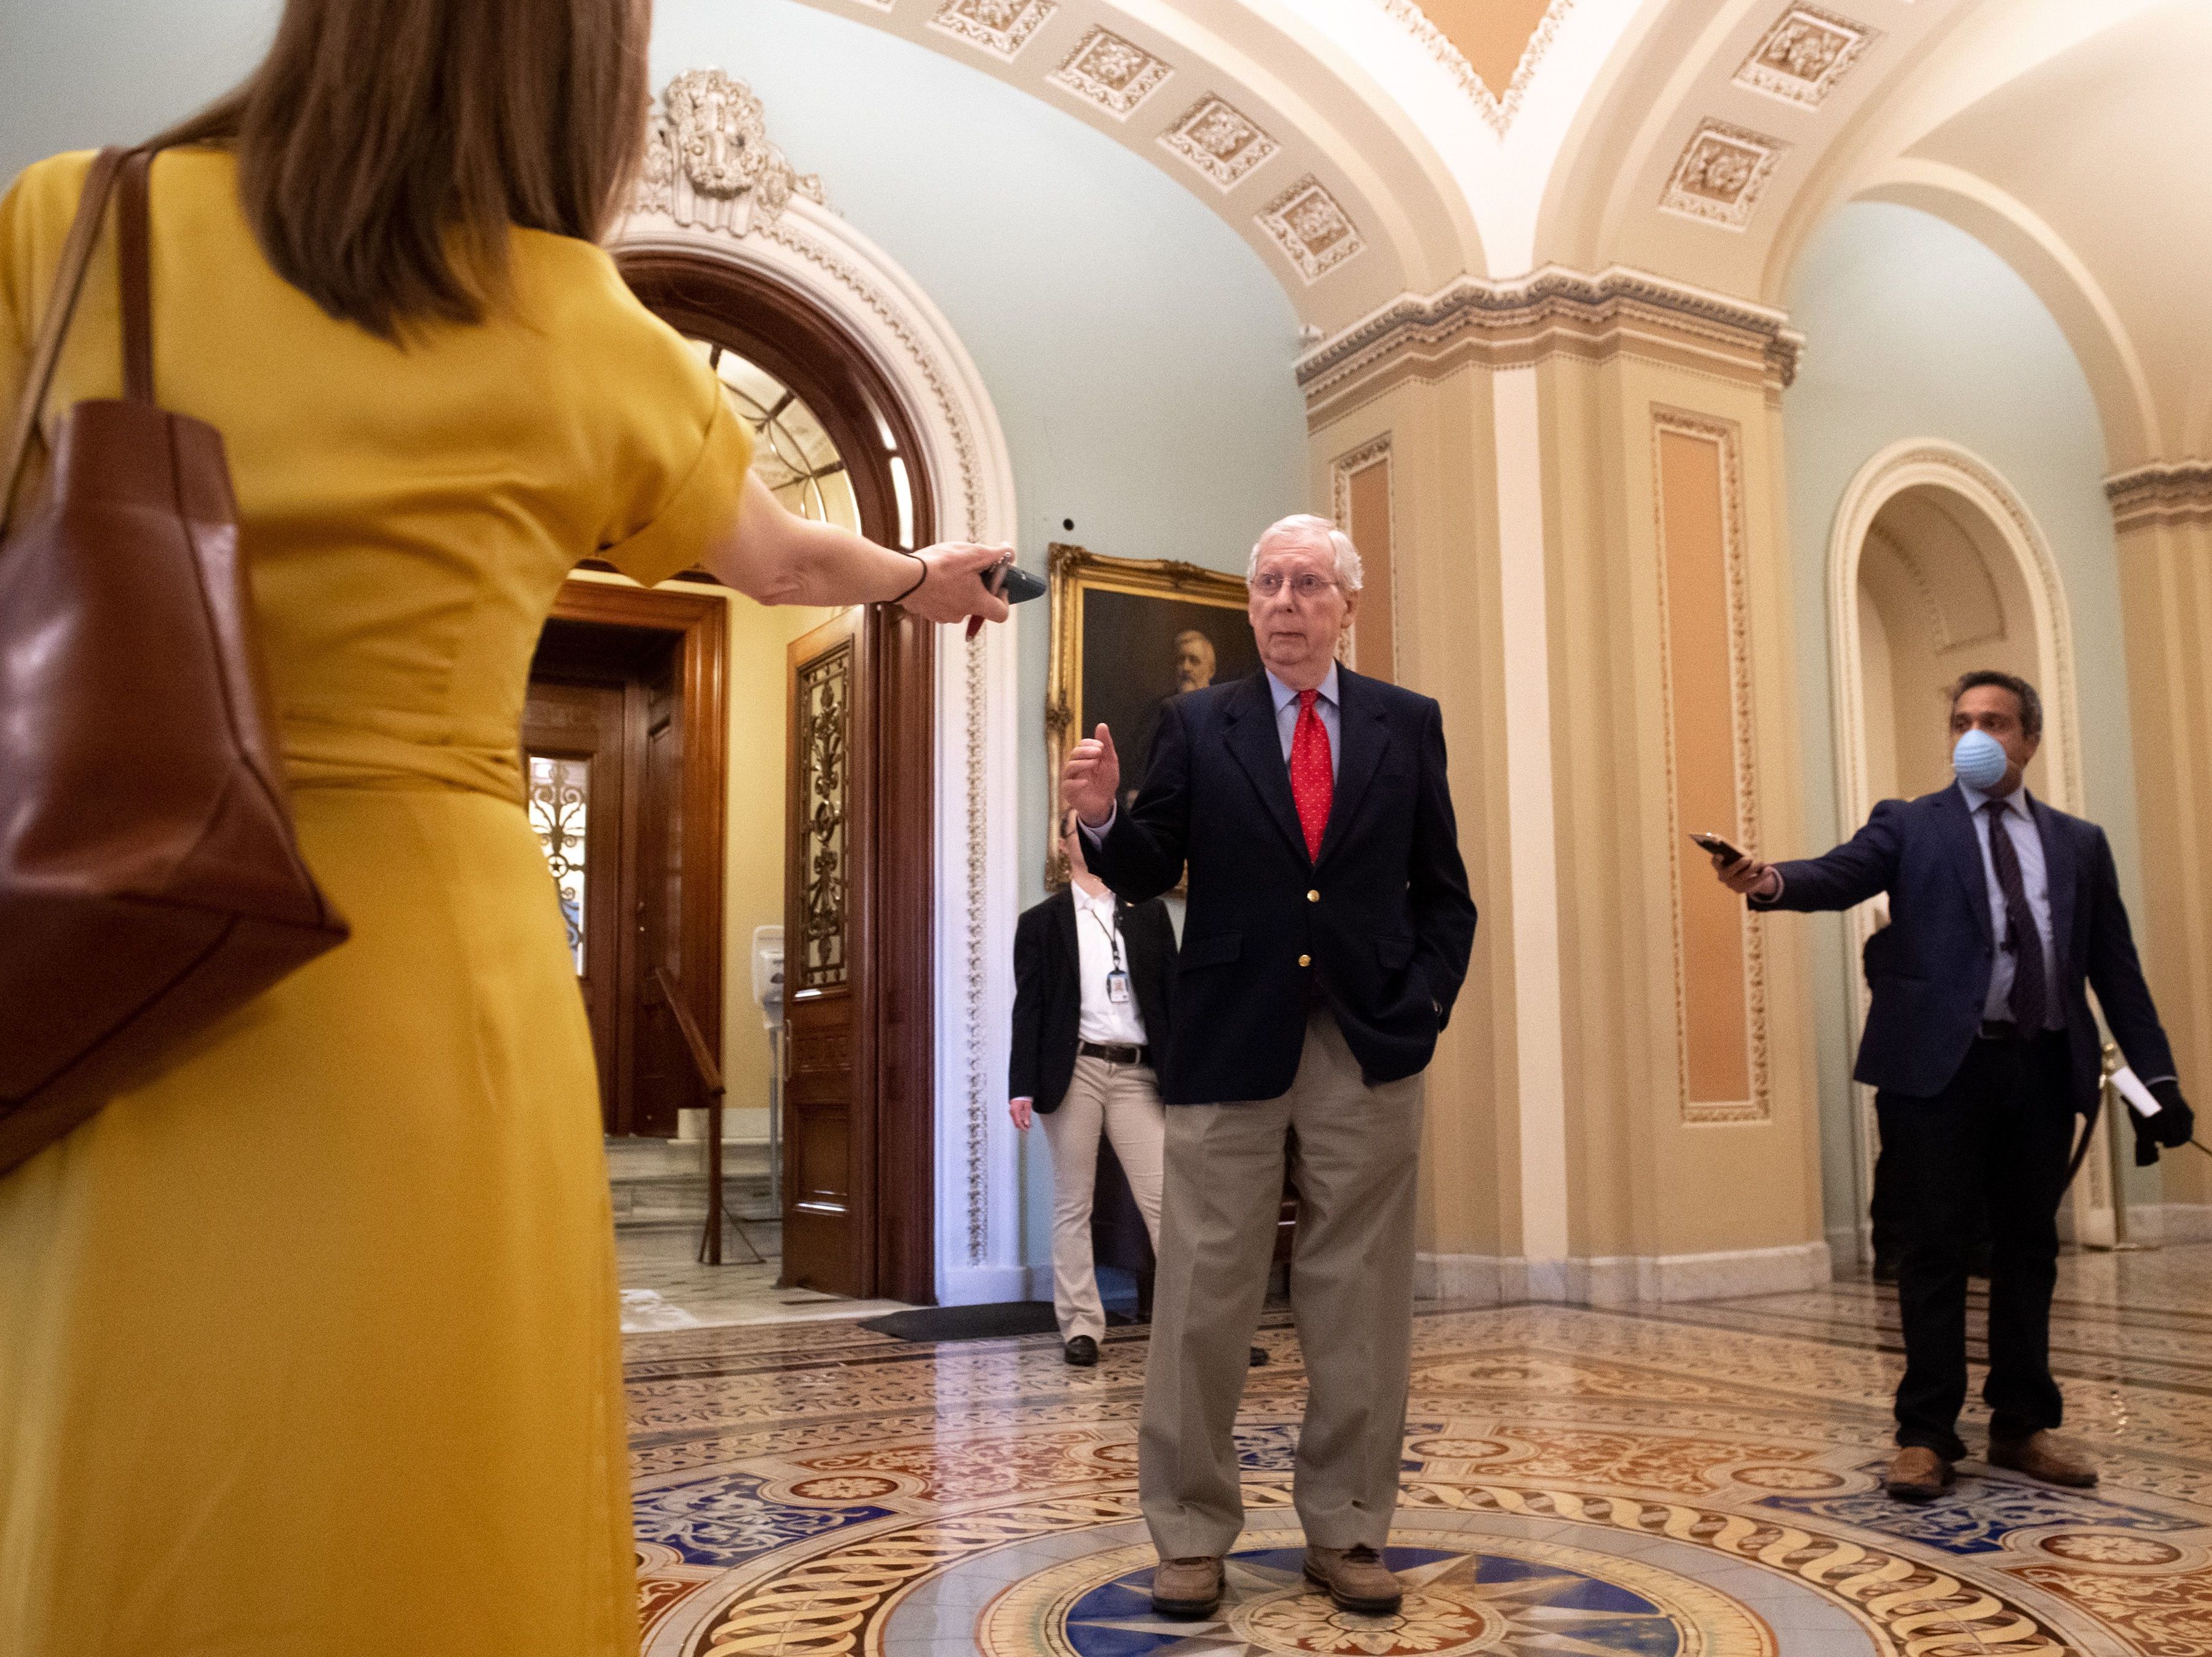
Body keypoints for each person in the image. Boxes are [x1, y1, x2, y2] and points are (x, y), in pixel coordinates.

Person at [0, 4, 1009, 1652]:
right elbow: (782, 559)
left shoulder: (80, 224)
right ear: (575, 76)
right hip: (428, 978)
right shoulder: (581, 328)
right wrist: (921, 576)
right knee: (437, 1455)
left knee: (132, 1432)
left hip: (112, 941)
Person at [1061, 513, 1477, 1619]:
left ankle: (1346, 1531)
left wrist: (1423, 1002)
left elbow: (1445, 890)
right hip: (1229, 1038)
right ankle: (1190, 1534)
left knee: (1360, 1299)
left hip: (1369, 1038)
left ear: (1346, 604)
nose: (1285, 602)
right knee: (1202, 1291)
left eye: (1307, 584)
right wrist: (1101, 817)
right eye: (1266, 585)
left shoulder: (1405, 723)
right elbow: (1148, 868)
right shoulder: (1198, 724)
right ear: (1249, 608)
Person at [1712, 670, 2194, 1504]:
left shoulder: (2078, 842)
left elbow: (2114, 970)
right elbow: (1837, 873)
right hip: (1936, 1068)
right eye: (1962, 720)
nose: (1975, 735)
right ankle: (1925, 1433)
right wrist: (1766, 879)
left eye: (1995, 721)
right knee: (1931, 1248)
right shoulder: (1909, 824)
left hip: (2040, 1064)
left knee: (2027, 1249)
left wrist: (2156, 1082)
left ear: (2028, 739)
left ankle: (2020, 1422)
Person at [1009, 813, 1177, 1366]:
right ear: (1062, 843)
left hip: (1137, 1073)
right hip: (1073, 1070)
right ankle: (1081, 1325)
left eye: (1094, 829)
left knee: (1166, 1201)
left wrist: (1185, 1077)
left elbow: (1172, 1000)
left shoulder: (1148, 913)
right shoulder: (1041, 922)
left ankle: (1198, 1327)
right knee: (1072, 1202)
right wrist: (1022, 1085)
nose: (1085, 838)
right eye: (1074, 830)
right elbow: (1028, 1008)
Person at [1125, 627, 1220, 807]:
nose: (1186, 667)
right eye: (1180, 660)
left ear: (1211, 670)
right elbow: (1139, 769)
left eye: (1194, 661)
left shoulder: (1226, 713)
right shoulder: (1156, 712)